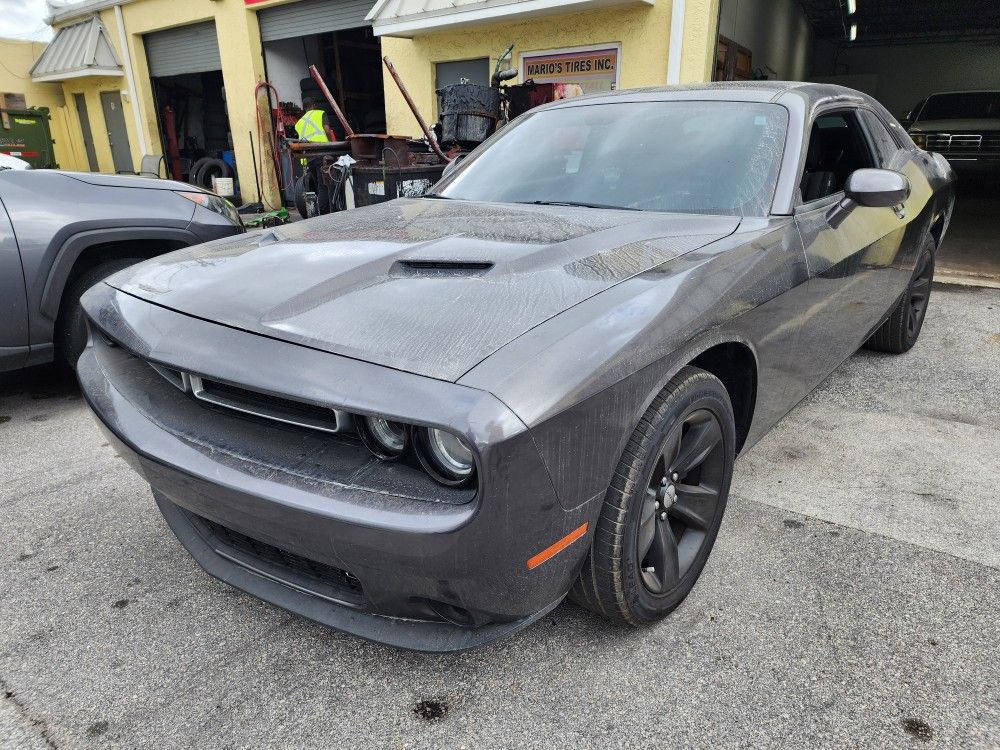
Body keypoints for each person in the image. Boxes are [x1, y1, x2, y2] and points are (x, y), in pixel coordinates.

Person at [294, 97, 338, 214]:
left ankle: (322, 210)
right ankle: (325, 212)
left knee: (319, 185)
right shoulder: (320, 114)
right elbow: (327, 130)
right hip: (322, 154)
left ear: (304, 109)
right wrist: (332, 146)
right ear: (314, 105)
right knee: (324, 185)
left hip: (309, 158)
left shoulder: (299, 123)